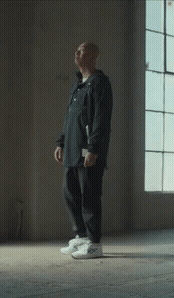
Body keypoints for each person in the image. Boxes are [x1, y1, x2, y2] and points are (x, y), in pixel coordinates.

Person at [54, 42, 113, 259]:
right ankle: (80, 236)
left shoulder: (100, 83)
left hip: (88, 151)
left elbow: (101, 119)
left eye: (82, 51)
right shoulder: (77, 85)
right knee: (70, 192)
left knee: (89, 195)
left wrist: (94, 148)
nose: (77, 53)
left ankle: (94, 243)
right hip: (72, 149)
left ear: (94, 57)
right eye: (76, 50)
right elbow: (70, 117)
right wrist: (61, 142)